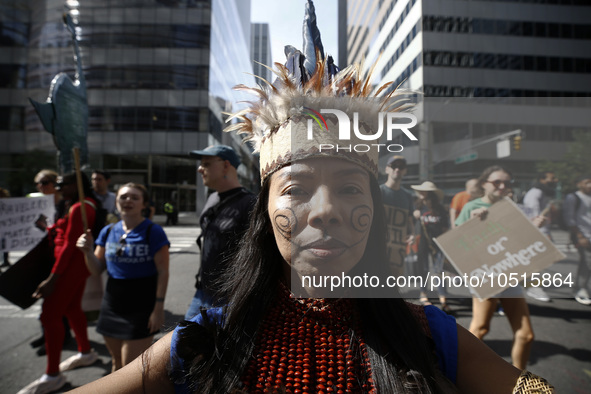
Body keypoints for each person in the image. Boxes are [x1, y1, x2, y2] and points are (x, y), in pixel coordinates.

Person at [69, 21, 553, 391]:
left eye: (348, 188)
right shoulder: (203, 340)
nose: (325, 211)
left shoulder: (427, 334)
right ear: (264, 211)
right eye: (297, 188)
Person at [455, 165, 547, 370]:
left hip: (509, 273)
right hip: (485, 275)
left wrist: (533, 228)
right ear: (484, 184)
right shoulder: (472, 206)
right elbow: (456, 242)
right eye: (497, 182)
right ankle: (460, 374)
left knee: (526, 335)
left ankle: (518, 380)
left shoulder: (511, 208)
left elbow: (519, 242)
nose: (502, 186)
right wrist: (471, 223)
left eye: (506, 182)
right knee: (479, 329)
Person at [18, 172, 100, 394]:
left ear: (77, 185)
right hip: (71, 267)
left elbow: (69, 247)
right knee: (72, 309)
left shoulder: (80, 207)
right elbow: (64, 235)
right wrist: (49, 228)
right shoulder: (74, 205)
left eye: (63, 184)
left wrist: (52, 278)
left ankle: (53, 375)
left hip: (69, 268)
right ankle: (85, 352)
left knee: (50, 314)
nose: (59, 188)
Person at [77, 183, 170, 372]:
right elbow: (96, 270)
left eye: (135, 197)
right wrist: (87, 253)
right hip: (112, 304)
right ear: (116, 201)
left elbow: (163, 271)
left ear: (143, 204)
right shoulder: (109, 231)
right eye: (123, 197)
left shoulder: (153, 231)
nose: (128, 200)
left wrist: (158, 308)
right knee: (116, 362)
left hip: (141, 305)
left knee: (130, 369)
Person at [184, 145, 256, 318]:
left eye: (206, 164)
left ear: (225, 165)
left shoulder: (251, 204)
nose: (200, 169)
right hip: (202, 292)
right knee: (183, 343)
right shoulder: (212, 198)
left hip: (230, 297)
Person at [411, 181, 451, 313]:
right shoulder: (417, 207)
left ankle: (443, 298)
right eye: (421, 191)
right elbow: (412, 226)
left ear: (431, 193)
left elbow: (445, 227)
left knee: (439, 270)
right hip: (421, 242)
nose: (421, 193)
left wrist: (444, 242)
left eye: (425, 191)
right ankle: (423, 293)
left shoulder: (439, 209)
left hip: (438, 244)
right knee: (423, 268)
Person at [521, 172, 559, 302]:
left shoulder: (542, 192)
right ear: (542, 179)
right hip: (537, 232)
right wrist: (542, 233)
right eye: (552, 178)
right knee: (537, 261)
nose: (555, 180)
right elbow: (534, 216)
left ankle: (530, 284)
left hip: (542, 230)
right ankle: (532, 287)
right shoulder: (536, 193)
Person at [380, 155, 416, 276]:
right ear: (387, 169)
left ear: (405, 171)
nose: (397, 169)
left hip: (397, 250)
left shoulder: (407, 196)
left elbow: (409, 220)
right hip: (378, 246)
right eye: (394, 166)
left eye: (401, 167)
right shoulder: (378, 192)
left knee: (393, 285)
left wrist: (412, 234)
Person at [563, 174, 591, 305]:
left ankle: (579, 287)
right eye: (587, 182)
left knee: (586, 263)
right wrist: (579, 236)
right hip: (582, 235)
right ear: (579, 184)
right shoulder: (574, 197)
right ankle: (581, 288)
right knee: (587, 262)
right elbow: (570, 218)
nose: (590, 185)